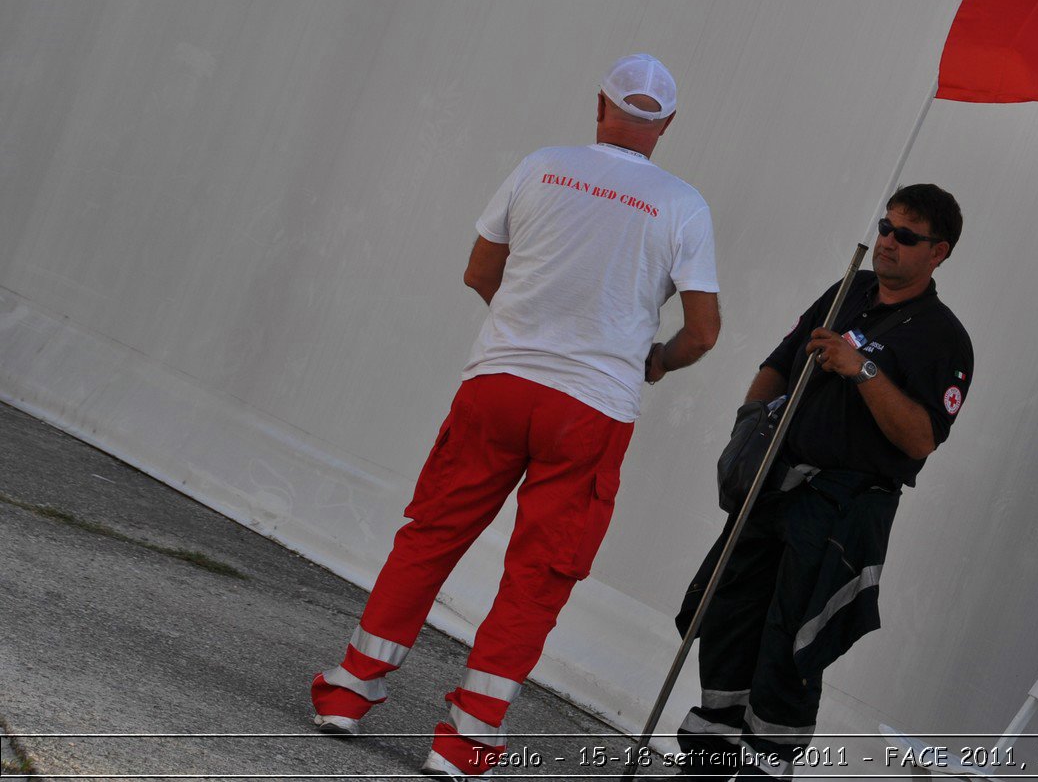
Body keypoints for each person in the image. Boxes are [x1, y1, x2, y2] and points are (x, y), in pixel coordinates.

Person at [310, 54, 721, 778]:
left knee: (431, 533)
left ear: (600, 104)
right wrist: (655, 360)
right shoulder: (682, 204)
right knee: (538, 573)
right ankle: (464, 741)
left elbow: (478, 270)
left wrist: (524, 325)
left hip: (498, 382)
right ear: (668, 125)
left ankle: (347, 689)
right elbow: (704, 330)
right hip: (591, 408)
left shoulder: (542, 166)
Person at [674, 184, 973, 780]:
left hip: (840, 510)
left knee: (792, 648)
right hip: (773, 485)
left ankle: (765, 771)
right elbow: (779, 363)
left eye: (905, 236)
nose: (886, 242)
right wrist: (745, 434)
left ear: (938, 253)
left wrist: (861, 368)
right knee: (726, 621)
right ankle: (702, 768)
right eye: (886, 228)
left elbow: (920, 438)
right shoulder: (848, 290)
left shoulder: (944, 337)